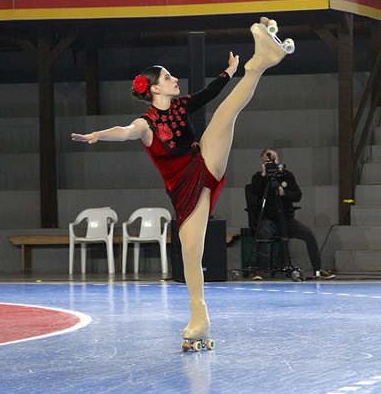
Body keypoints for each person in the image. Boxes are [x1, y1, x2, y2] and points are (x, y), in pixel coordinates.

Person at [71, 17, 291, 345]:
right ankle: (199, 317)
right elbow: (126, 132)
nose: (174, 79)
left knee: (224, 114)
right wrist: (98, 136)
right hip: (183, 190)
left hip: (202, 159)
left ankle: (259, 63)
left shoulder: (180, 105)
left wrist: (230, 72)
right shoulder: (145, 122)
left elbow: (211, 92)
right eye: (167, 77)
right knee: (191, 254)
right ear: (154, 88)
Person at [249, 148, 335, 280]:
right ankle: (258, 271)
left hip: (287, 219)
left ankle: (317, 269)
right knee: (262, 235)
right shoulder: (258, 177)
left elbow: (297, 195)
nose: (272, 162)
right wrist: (264, 174)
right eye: (268, 159)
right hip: (269, 219)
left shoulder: (286, 175)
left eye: (274, 159)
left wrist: (285, 193)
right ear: (262, 162)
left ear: (278, 160)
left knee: (309, 234)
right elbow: (255, 191)